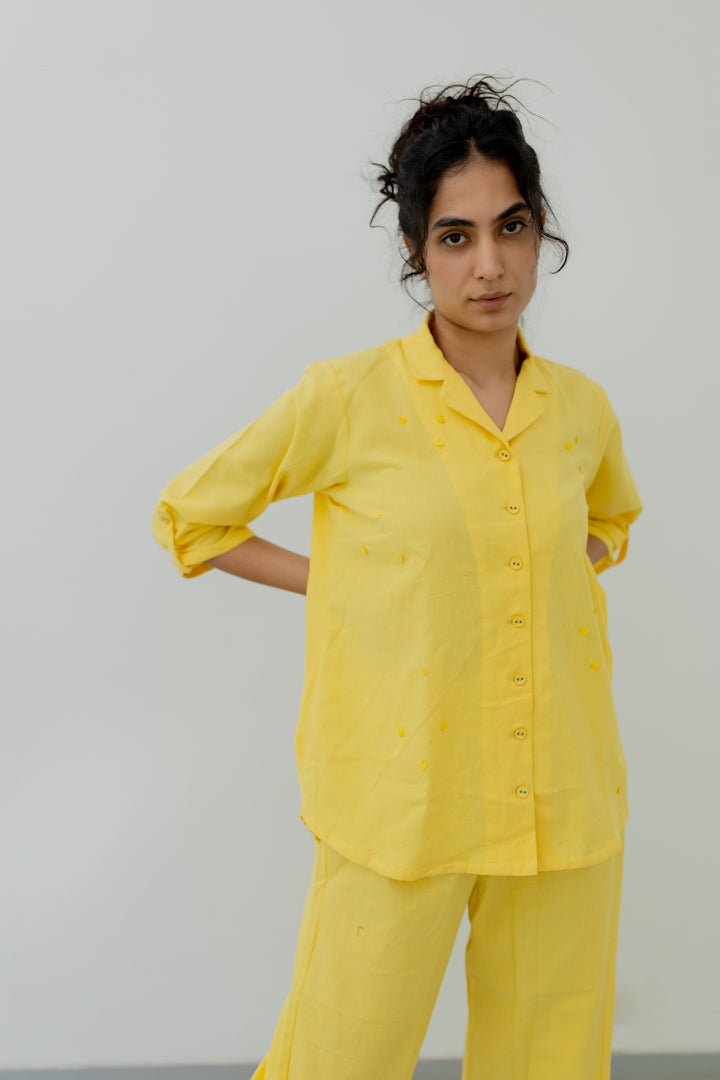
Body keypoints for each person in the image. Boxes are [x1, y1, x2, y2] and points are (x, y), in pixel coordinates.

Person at [152, 74, 643, 1080]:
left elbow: (608, 524)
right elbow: (193, 519)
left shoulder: (581, 409)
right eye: (456, 237)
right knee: (343, 1055)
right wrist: (345, 580)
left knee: (553, 1058)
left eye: (511, 227)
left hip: (562, 789)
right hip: (403, 796)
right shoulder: (350, 397)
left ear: (539, 231)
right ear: (418, 251)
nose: (489, 264)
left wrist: (526, 578)